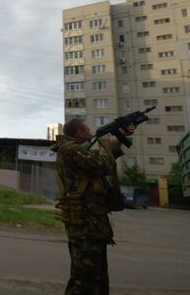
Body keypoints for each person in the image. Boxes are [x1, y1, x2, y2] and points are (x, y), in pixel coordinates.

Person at [53, 118, 135, 295]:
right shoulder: (70, 149)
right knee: (84, 279)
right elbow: (103, 164)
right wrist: (105, 144)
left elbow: (102, 158)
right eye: (87, 130)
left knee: (97, 278)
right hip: (85, 226)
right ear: (79, 133)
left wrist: (119, 137)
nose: (91, 133)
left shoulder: (76, 150)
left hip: (92, 224)